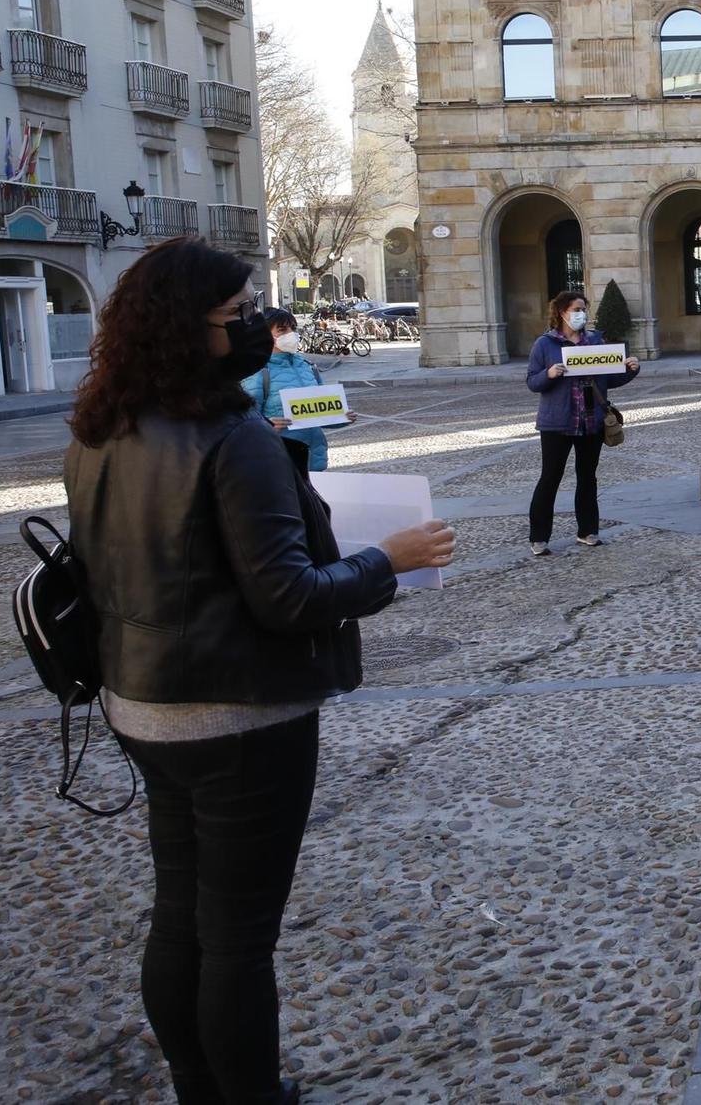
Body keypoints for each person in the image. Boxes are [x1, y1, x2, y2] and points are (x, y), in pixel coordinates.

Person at [63, 236, 454, 1105]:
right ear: (183, 327)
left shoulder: (101, 424)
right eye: (236, 315)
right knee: (237, 938)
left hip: (140, 701)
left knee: (180, 916)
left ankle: (198, 1086)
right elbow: (290, 597)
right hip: (238, 717)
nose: (254, 324)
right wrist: (388, 558)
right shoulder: (230, 437)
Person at [525, 290, 640, 555]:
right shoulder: (545, 344)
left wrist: (630, 369)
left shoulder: (596, 342)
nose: (582, 314)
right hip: (557, 424)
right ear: (562, 312)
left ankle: (587, 531)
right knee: (550, 478)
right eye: (577, 309)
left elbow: (609, 380)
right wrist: (549, 374)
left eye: (584, 309)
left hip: (591, 422)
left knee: (588, 477)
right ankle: (539, 537)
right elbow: (532, 381)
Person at [240, 309, 332, 472]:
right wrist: (266, 424)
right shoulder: (258, 371)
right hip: (279, 460)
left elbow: (322, 411)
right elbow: (245, 419)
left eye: (293, 329)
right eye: (282, 330)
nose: (291, 334)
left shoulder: (307, 366)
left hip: (315, 459)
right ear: (265, 335)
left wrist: (342, 416)